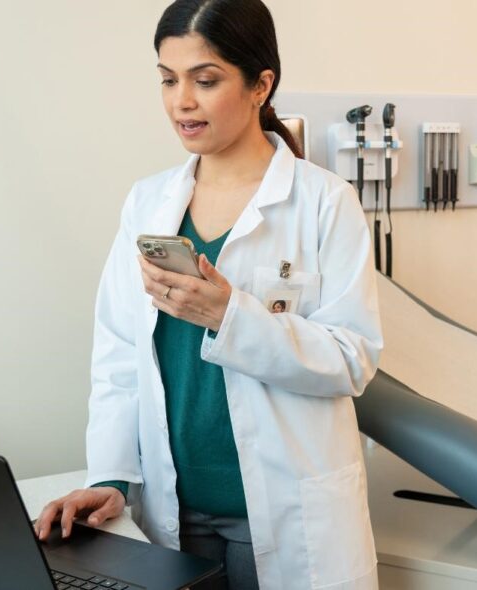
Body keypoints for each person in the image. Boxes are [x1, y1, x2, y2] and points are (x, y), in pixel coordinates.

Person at [33, 1, 383, 589]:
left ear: (260, 85)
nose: (181, 102)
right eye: (168, 80)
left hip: (282, 508)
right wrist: (113, 478)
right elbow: (119, 357)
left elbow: (351, 359)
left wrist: (229, 315)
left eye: (206, 79)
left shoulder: (325, 202)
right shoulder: (147, 203)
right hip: (172, 509)